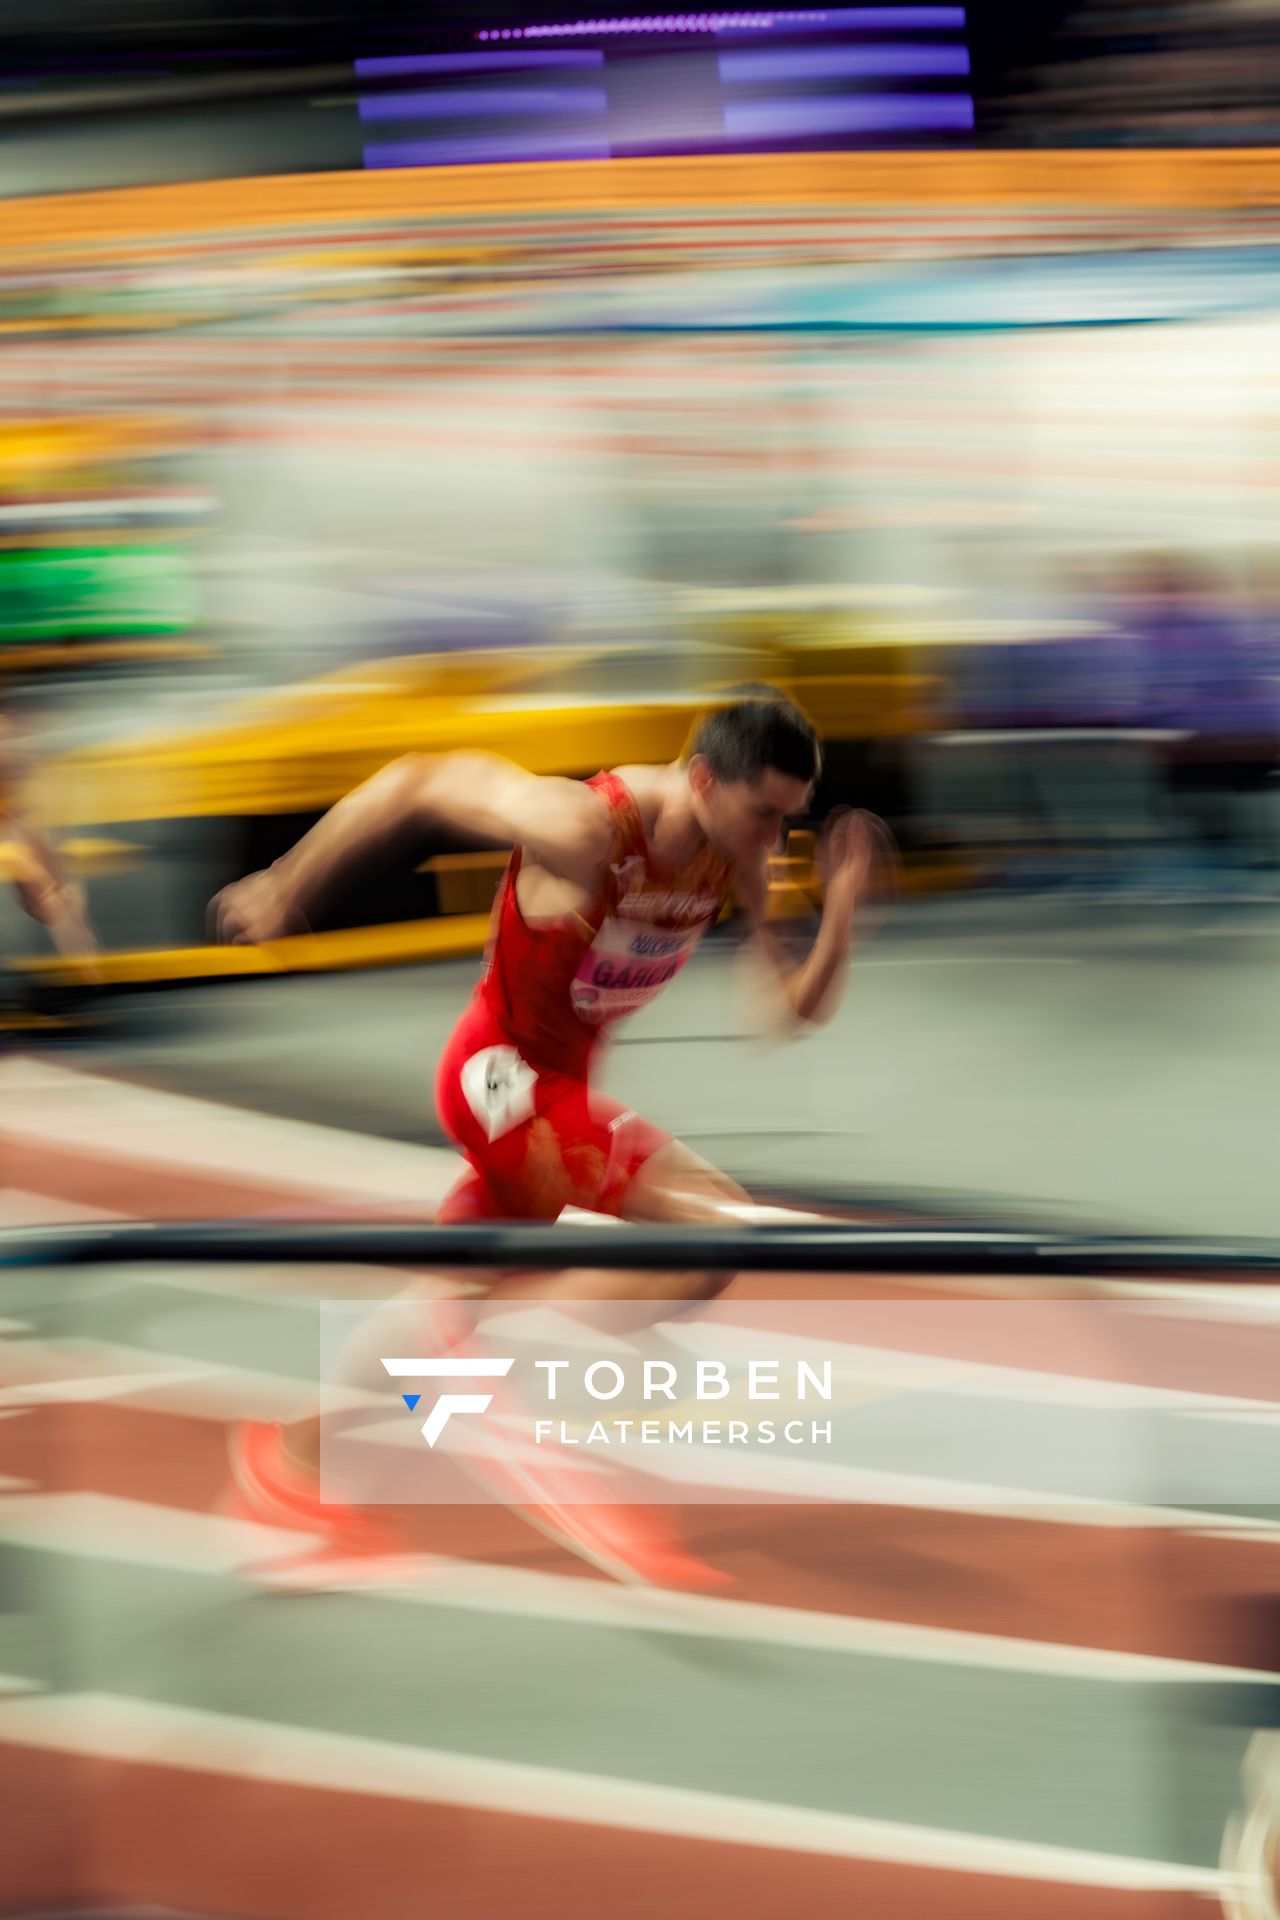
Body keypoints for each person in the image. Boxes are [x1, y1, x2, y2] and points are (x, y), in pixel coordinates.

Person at [210, 686, 892, 1586]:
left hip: (561, 1093)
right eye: (765, 815)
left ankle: (288, 1462)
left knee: (448, 1305)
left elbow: (783, 1014)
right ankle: (516, 1392)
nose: (776, 839)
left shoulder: (739, 853)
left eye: (788, 821)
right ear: (701, 780)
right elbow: (417, 782)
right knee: (715, 1231)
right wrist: (285, 883)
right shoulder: (583, 826)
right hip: (496, 1079)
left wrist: (842, 909)